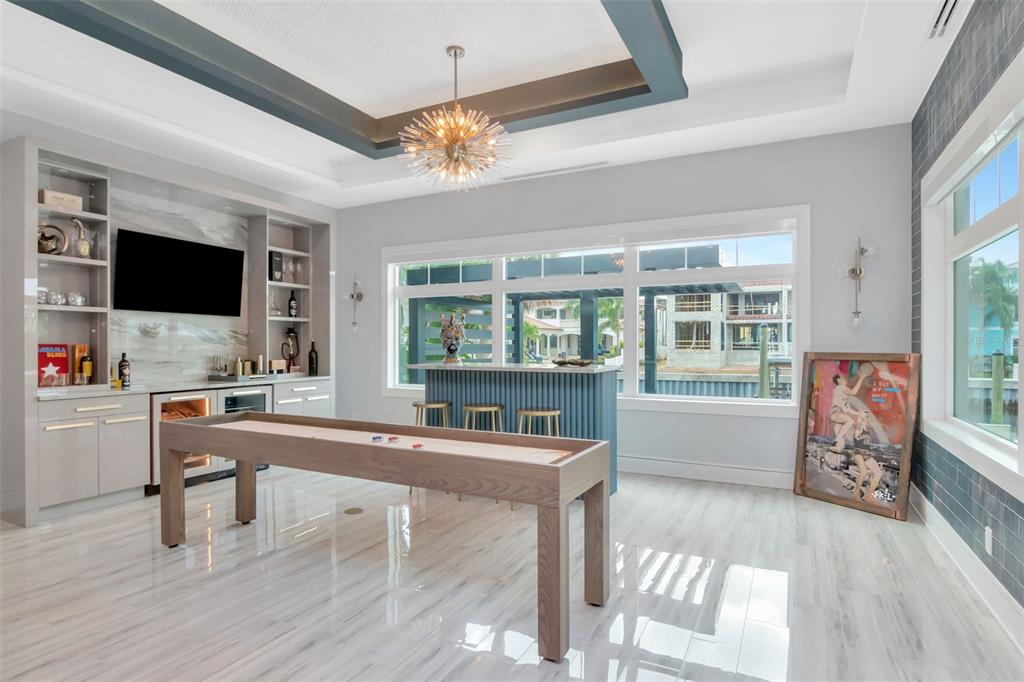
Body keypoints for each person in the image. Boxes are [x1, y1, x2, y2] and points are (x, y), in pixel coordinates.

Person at [828, 364, 872, 453]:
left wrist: (859, 413)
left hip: (837, 416)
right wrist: (862, 377)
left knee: (841, 444)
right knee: (850, 422)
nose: (845, 379)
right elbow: (854, 392)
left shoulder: (842, 396)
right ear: (839, 380)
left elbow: (847, 409)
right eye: (843, 378)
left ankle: (837, 445)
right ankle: (836, 440)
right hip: (836, 412)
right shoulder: (840, 387)